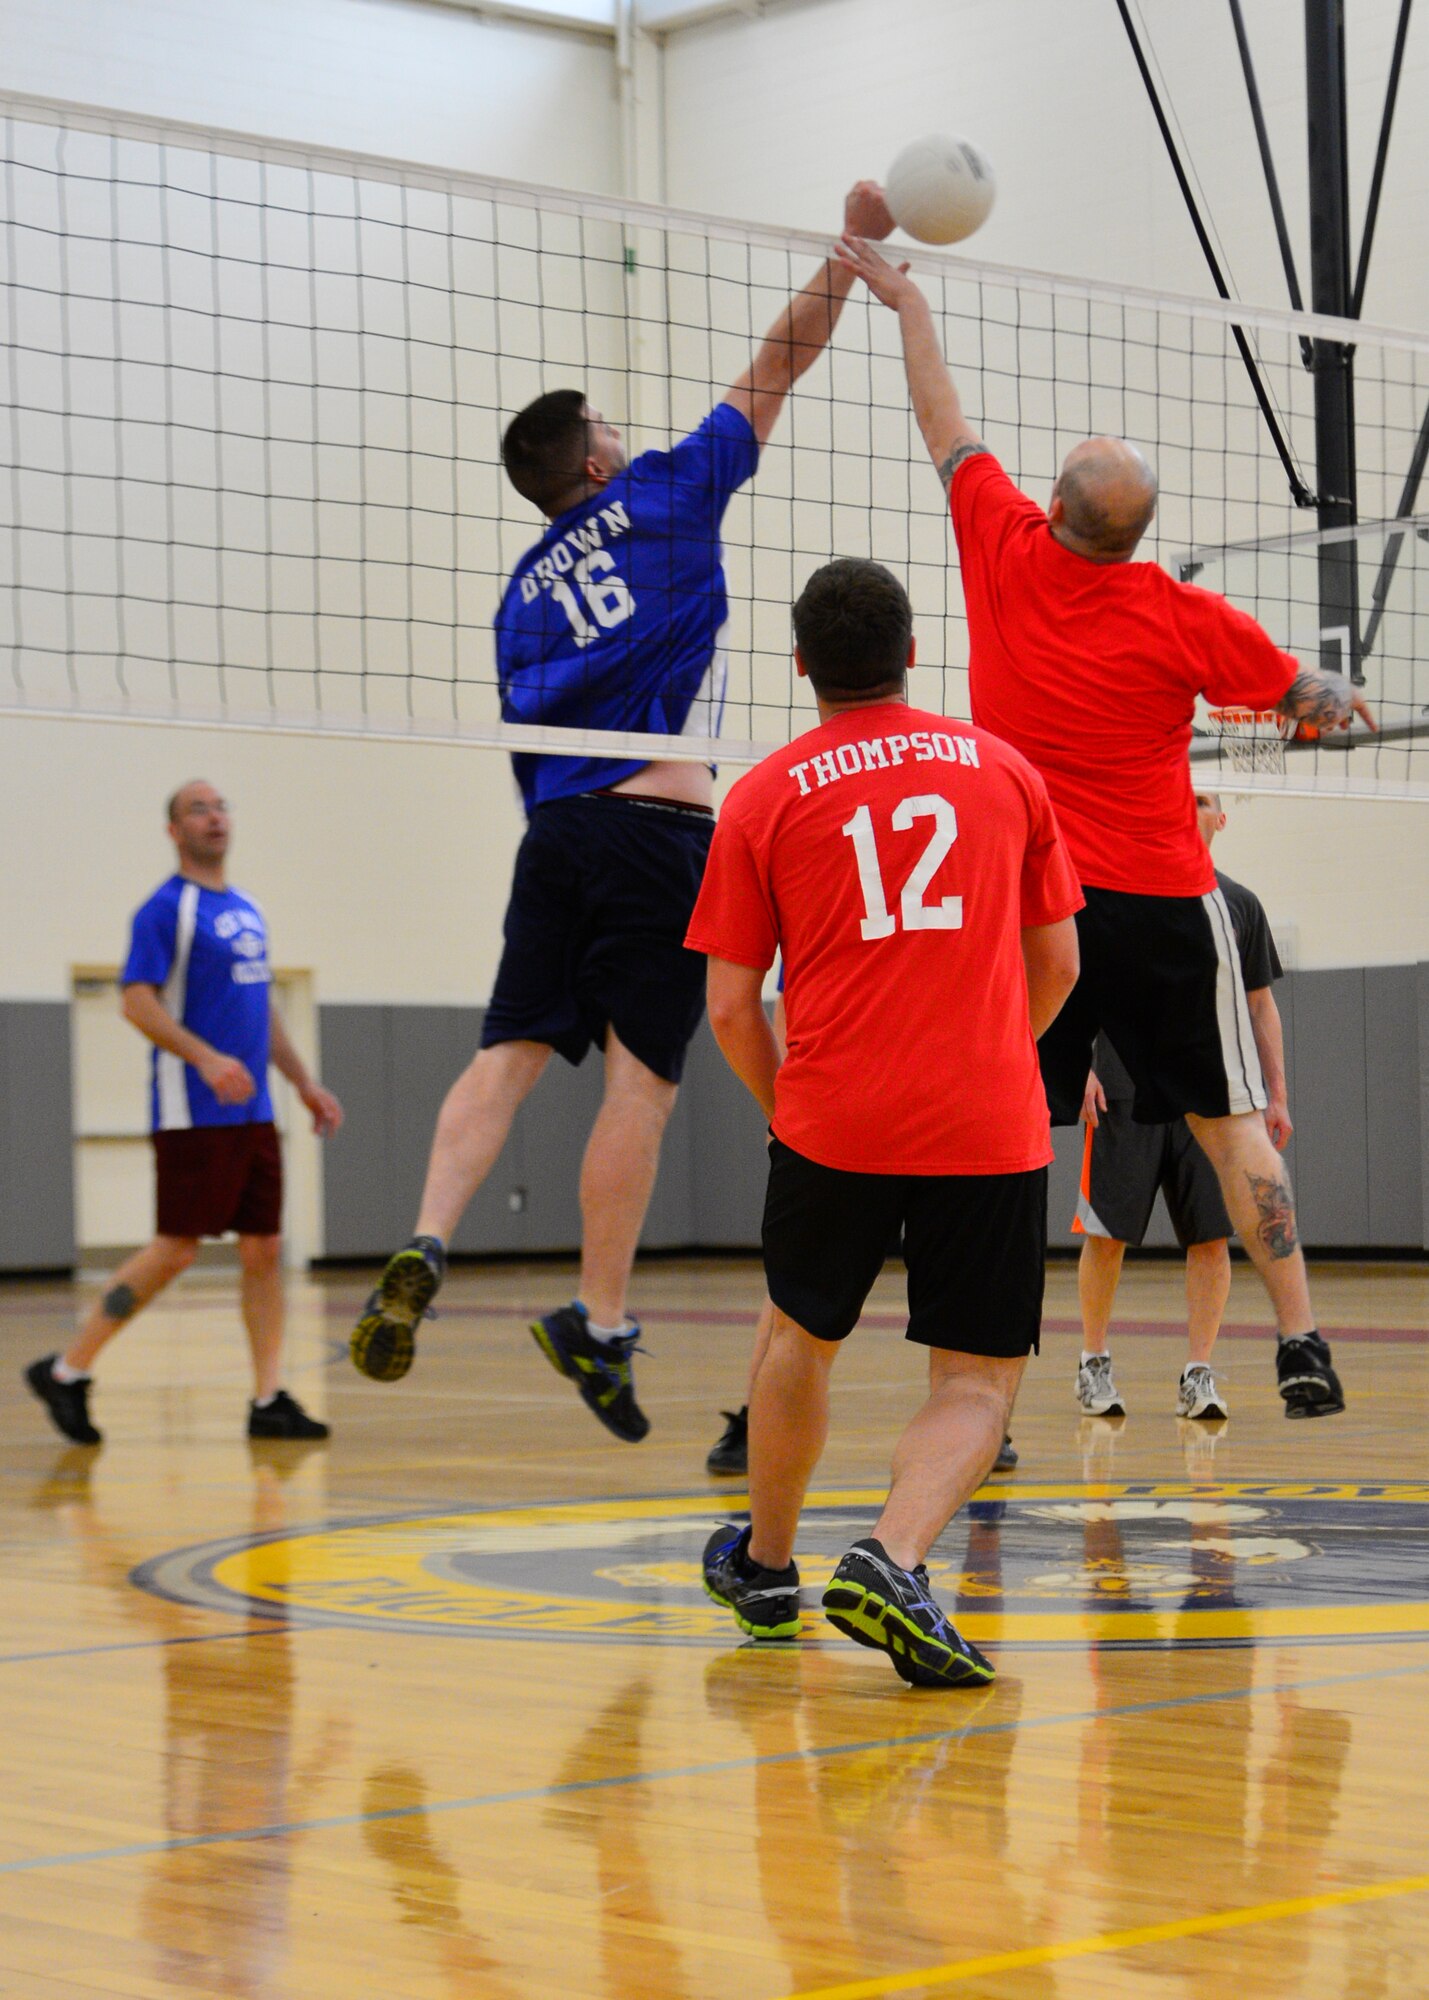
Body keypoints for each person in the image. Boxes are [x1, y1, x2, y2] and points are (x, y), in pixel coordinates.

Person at [350, 182, 899, 1445]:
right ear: (594, 463)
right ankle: (597, 1318)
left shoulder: (516, 598)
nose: (622, 428)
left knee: (506, 1052)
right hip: (658, 832)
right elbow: (777, 363)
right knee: (641, 1086)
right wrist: (849, 253)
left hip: (553, 833)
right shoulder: (659, 495)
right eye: (608, 421)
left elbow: (525, 748)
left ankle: (426, 1235)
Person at [837, 232, 1375, 1421]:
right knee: (1231, 1126)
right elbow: (1308, 701)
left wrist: (905, 301)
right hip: (1165, 899)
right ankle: (1300, 1340)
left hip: (1036, 905)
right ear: (1138, 532)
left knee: (992, 1131)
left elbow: (941, 419)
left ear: (1053, 508)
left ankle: (973, 1378)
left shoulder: (1002, 542)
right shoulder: (1188, 616)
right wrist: (1331, 700)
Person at [687, 558, 1082, 1686]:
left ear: (800, 663)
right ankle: (892, 1555)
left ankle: (767, 1568)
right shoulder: (1006, 771)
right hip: (986, 1116)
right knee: (976, 1379)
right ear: (913, 652)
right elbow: (1059, 962)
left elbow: (729, 1006)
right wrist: (991, 1049)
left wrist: (793, 1110)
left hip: (834, 1116)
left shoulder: (761, 796)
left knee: (794, 1337)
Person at [24, 782, 343, 1446]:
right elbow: (135, 1001)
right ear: (174, 830)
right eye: (198, 809)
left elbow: (261, 1007)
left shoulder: (249, 909)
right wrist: (205, 1058)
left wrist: (303, 1082)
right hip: (193, 1111)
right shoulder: (165, 909)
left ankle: (267, 1399)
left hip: (254, 1111)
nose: (214, 817)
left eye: (221, 806)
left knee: (265, 1249)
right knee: (176, 1249)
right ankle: (67, 1371)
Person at [1074, 790, 1291, 1421]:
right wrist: (1078, 1066)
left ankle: (1198, 1372)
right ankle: (1093, 1361)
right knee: (1108, 1233)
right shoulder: (1120, 894)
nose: (1187, 808)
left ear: (1221, 818)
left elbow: (1260, 1005)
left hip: (1213, 1094)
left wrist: (1276, 1096)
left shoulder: (1241, 905)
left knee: (1211, 1237)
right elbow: (1077, 982)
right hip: (1125, 1087)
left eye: (1201, 800)